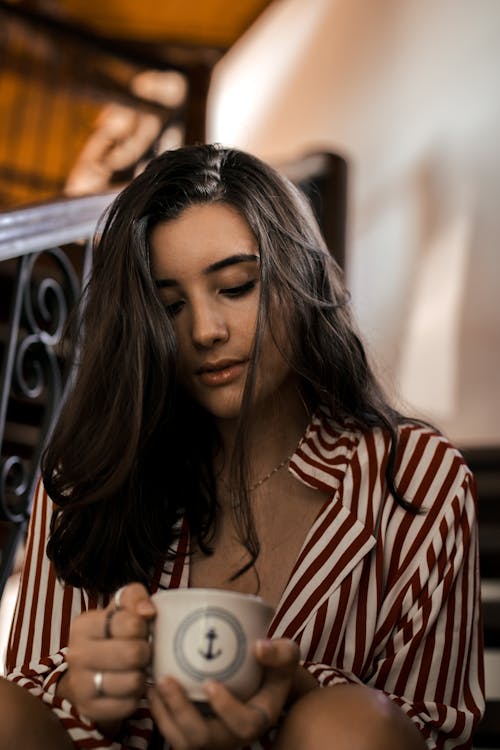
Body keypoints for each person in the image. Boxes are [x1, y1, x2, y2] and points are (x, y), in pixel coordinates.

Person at [3, 144, 484, 749]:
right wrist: (78, 690)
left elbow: (429, 729)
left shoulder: (416, 480)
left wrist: (302, 693)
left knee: (350, 725)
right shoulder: (90, 471)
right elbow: (23, 702)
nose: (205, 331)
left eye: (236, 287)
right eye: (170, 305)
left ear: (299, 275)